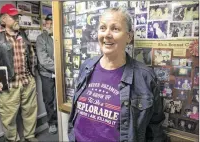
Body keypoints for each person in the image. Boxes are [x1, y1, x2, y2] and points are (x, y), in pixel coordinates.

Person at [68, 7, 166, 142]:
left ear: (129, 37)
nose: (107, 34)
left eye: (115, 29)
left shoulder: (145, 77)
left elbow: (155, 130)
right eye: (102, 28)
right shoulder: (87, 66)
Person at [0, 4, 38, 142]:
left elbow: (31, 54)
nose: (17, 19)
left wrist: (33, 75)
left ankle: (30, 136)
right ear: (3, 19)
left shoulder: (23, 33)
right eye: (13, 16)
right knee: (8, 117)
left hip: (27, 81)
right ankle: (12, 140)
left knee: (30, 111)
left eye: (17, 16)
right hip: (8, 85)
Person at [36, 14, 57, 134]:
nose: (49, 25)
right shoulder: (41, 38)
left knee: (62, 98)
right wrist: (58, 69)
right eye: (47, 23)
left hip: (59, 74)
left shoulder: (60, 36)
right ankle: (51, 123)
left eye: (51, 23)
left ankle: (63, 118)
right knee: (49, 99)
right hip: (47, 74)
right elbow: (43, 59)